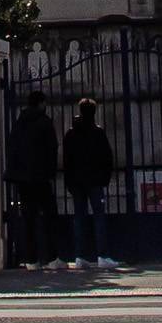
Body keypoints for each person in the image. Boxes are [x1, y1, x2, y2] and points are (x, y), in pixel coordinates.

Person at [60, 96, 119, 268]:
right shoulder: (97, 132)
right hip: (94, 181)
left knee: (79, 218)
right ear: (94, 112)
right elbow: (107, 157)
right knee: (98, 217)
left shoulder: (71, 133)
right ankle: (102, 255)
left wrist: (69, 181)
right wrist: (105, 178)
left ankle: (80, 256)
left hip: (77, 182)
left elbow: (67, 160)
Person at [6, 93, 61, 272]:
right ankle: (52, 257)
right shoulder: (44, 122)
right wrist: (50, 172)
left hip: (23, 179)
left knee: (28, 218)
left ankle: (31, 259)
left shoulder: (19, 123)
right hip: (41, 177)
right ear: (41, 103)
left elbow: (12, 148)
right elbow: (52, 148)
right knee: (49, 217)